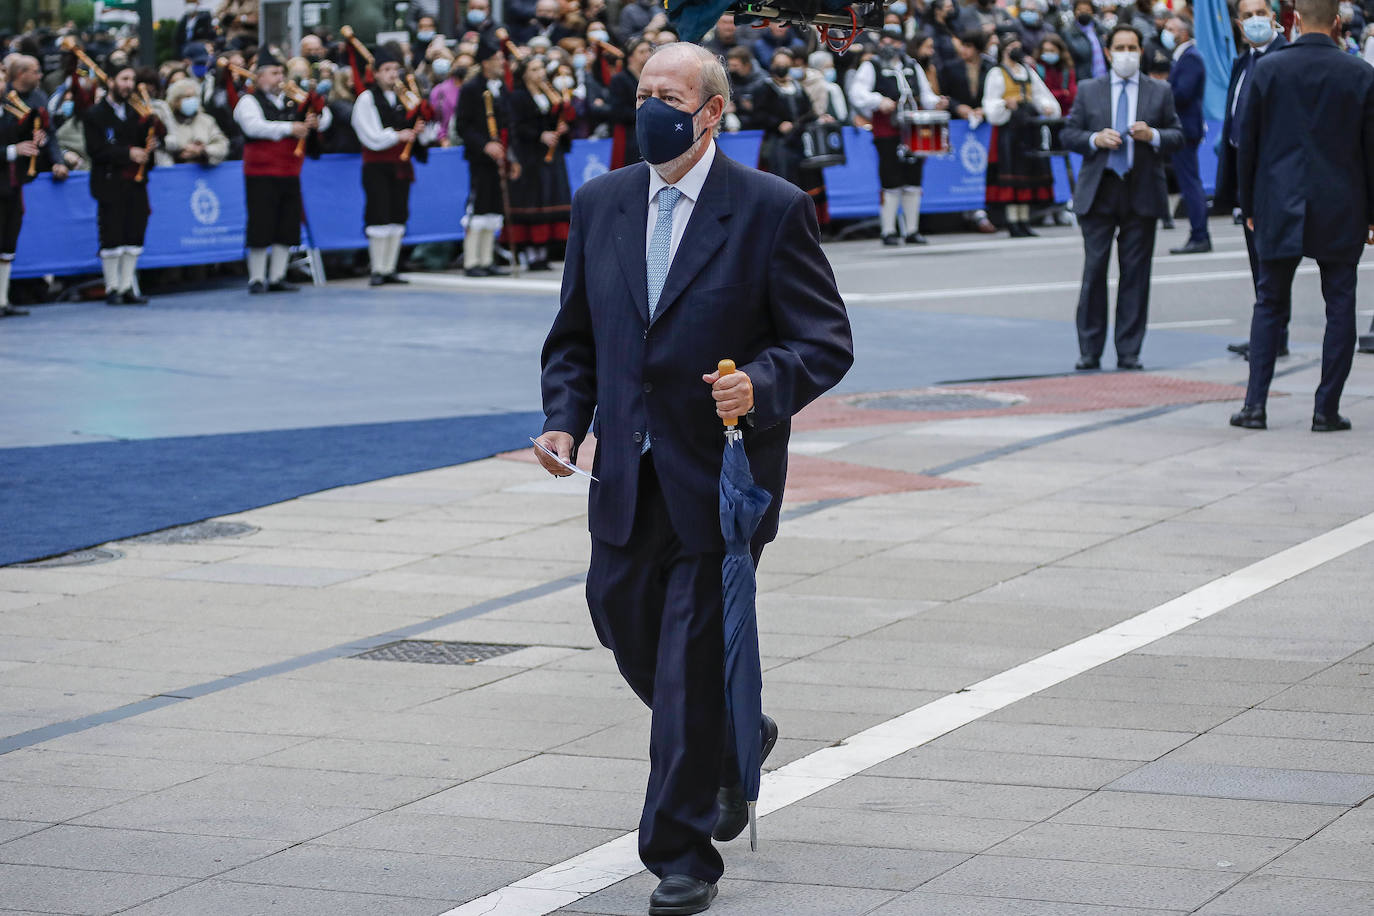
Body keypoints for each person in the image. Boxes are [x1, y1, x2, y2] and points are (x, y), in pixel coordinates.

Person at [534, 41, 853, 916]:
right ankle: (734, 735)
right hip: (624, 480)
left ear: (712, 111)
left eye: (669, 97)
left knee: (682, 671)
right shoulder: (600, 204)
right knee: (621, 624)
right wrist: (565, 416)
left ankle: (680, 854)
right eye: (642, 94)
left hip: (719, 483)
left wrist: (762, 385)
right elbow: (575, 339)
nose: (651, 110)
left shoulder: (769, 209)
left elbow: (823, 340)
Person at [1232, 0, 1374, 432]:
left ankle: (1255, 406)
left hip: (1279, 199)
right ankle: (1325, 409)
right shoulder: (1360, 74)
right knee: (1341, 303)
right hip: (1341, 202)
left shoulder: (1270, 70)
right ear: (1337, 22)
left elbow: (1247, 143)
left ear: (1291, 20)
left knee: (1270, 301)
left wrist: (1249, 204)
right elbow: (1371, 151)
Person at [1063, 24, 1183, 370]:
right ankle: (1090, 349)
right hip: (1100, 189)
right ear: (1108, 52)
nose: (1126, 54)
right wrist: (1094, 140)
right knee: (1094, 270)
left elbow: (1178, 136)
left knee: (1135, 273)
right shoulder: (1089, 90)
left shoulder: (1159, 91)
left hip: (1141, 188)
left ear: (1140, 53)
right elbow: (1070, 133)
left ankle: (1129, 350)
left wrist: (1154, 135)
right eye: (1120, 47)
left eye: (1132, 48)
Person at [1215, 0, 1288, 361]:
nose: (1256, 20)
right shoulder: (1242, 63)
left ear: (1274, 17)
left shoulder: (1286, 58)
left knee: (1273, 261)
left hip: (1275, 176)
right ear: (1238, 24)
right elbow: (1235, 119)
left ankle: (1275, 335)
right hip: (1248, 177)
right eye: (1248, 16)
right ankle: (1268, 332)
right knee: (1258, 261)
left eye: (1261, 13)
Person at [233, 49, 332, 294]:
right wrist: (290, 128)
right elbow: (254, 127)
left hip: (290, 171)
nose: (280, 78)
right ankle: (256, 277)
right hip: (260, 173)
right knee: (260, 224)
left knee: (286, 225)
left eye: (281, 73)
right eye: (274, 73)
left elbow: (324, 115)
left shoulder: (291, 99)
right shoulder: (249, 101)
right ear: (259, 77)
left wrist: (315, 121)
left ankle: (277, 276)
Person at [83, 60, 165, 307]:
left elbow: (150, 139)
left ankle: (128, 285)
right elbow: (96, 150)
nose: (129, 85)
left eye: (131, 80)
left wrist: (152, 145)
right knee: (112, 234)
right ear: (110, 82)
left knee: (134, 233)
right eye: (123, 79)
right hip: (109, 182)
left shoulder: (138, 112)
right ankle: (112, 287)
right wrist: (128, 153)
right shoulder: (95, 114)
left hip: (136, 183)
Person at [850, 30, 942, 244]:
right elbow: (857, 92)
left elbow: (926, 94)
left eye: (892, 40)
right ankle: (888, 231)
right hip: (887, 131)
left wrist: (936, 102)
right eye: (884, 41)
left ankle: (912, 230)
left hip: (913, 131)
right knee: (890, 180)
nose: (888, 44)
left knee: (914, 179)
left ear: (902, 43)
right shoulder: (871, 65)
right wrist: (878, 101)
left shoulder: (912, 65)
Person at [353, 46, 430, 286]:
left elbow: (423, 133)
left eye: (395, 69)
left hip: (401, 166)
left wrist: (419, 132)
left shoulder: (405, 97)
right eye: (386, 70)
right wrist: (399, 136)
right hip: (377, 167)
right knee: (379, 215)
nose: (392, 75)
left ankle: (389, 268)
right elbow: (370, 136)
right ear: (375, 73)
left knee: (398, 215)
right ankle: (377, 268)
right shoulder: (366, 99)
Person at [983, 32, 1061, 236]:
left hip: (1028, 128)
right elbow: (990, 103)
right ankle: (1012, 220)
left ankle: (1024, 220)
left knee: (1027, 172)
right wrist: (1003, 104)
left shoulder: (1027, 71)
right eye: (1012, 47)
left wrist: (1046, 107)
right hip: (1009, 129)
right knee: (1011, 172)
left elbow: (1041, 95)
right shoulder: (997, 73)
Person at [455, 38, 514, 277]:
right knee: (479, 207)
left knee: (493, 206)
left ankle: (488, 257)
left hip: (498, 156)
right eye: (497, 59)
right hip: (480, 157)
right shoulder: (471, 89)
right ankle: (472, 260)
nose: (501, 63)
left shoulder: (502, 88)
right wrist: (484, 145)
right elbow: (463, 126)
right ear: (485, 63)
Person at [507, 55, 573, 271]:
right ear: (525, 73)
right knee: (532, 200)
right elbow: (516, 126)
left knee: (549, 198)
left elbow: (555, 119)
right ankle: (531, 254)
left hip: (550, 155)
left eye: (541, 69)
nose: (539, 73)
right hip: (530, 155)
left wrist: (560, 129)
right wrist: (539, 135)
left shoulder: (549, 93)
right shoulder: (518, 96)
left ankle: (543, 253)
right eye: (534, 69)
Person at [754, 48, 829, 228]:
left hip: (801, 142)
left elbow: (809, 110)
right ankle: (781, 225)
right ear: (772, 65)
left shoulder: (797, 87)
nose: (782, 67)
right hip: (778, 143)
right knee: (782, 182)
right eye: (778, 64)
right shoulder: (765, 88)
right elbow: (757, 114)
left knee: (809, 181)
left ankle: (809, 224)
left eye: (785, 64)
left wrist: (817, 117)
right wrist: (777, 124)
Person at [1162, 16, 1210, 254]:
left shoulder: (1191, 57)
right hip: (1185, 128)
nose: (1166, 32)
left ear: (1183, 32)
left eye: (1170, 28)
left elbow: (1182, 94)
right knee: (1189, 182)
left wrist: (1160, 90)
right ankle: (1198, 233)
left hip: (1186, 129)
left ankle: (1199, 234)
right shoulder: (1183, 57)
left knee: (1190, 184)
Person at [0, 67, 37, 317]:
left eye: (2, 80)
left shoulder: (10, 114)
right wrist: (13, 151)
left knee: (6, 246)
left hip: (11, 188)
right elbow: (12, 149)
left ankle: (2, 301)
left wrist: (37, 140)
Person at [155, 78, 230, 167]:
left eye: (194, 96)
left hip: (205, 174)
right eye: (187, 97)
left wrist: (203, 151)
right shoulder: (167, 122)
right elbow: (161, 146)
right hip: (175, 173)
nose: (192, 100)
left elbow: (222, 145)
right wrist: (181, 150)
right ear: (175, 101)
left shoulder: (207, 120)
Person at [609, 38, 651, 168]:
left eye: (649, 50)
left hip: (648, 132)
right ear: (630, 57)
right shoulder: (620, 79)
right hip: (628, 134)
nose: (647, 54)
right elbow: (618, 111)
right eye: (642, 51)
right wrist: (645, 114)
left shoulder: (652, 78)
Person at [1064, 0, 1109, 81]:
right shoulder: (1068, 33)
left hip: (1104, 78)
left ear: (1092, 12)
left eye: (1087, 10)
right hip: (1083, 80)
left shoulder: (1101, 30)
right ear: (1074, 12)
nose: (1083, 12)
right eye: (1079, 10)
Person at [1038, 33, 1078, 112]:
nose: (1048, 53)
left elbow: (1072, 95)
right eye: (1046, 50)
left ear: (1059, 51)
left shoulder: (1067, 69)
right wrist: (1062, 93)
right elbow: (1041, 95)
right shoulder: (1037, 68)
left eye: (1052, 51)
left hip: (1066, 113)